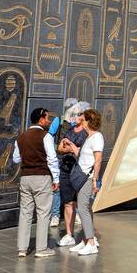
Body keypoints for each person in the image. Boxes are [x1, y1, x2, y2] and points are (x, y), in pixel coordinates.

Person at [13, 107, 59, 259]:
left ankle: (22, 248)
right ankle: (41, 248)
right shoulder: (46, 136)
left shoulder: (21, 137)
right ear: (41, 119)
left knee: (25, 213)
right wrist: (56, 179)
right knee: (43, 213)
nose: (49, 121)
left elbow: (16, 159)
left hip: (25, 178)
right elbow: (52, 159)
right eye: (47, 118)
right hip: (41, 176)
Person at [58, 108, 104, 256]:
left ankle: (91, 242)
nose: (81, 121)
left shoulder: (97, 137)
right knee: (82, 208)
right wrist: (71, 145)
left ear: (89, 121)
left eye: (83, 119)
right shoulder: (89, 138)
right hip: (81, 176)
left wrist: (96, 180)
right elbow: (82, 156)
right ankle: (85, 240)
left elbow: (98, 160)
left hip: (87, 178)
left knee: (83, 208)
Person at [55, 102, 90, 248]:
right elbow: (59, 148)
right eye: (73, 114)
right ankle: (69, 235)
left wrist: (71, 147)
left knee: (84, 205)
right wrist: (66, 148)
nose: (74, 117)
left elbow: (84, 152)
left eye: (77, 114)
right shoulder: (68, 130)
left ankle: (89, 236)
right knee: (68, 203)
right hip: (66, 169)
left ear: (83, 116)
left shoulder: (88, 133)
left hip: (80, 171)